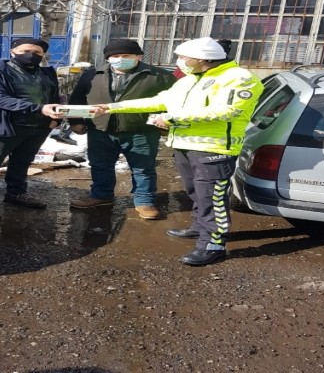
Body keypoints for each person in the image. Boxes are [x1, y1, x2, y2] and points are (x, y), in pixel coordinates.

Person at [93, 37, 263, 266]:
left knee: (212, 198)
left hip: (213, 147)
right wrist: (113, 107)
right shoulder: (190, 79)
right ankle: (198, 227)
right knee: (195, 191)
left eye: (183, 57)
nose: (179, 61)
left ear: (202, 58)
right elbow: (160, 100)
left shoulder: (239, 78)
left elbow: (227, 111)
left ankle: (212, 244)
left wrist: (173, 118)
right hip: (185, 144)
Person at [67, 39, 176, 220]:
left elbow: (175, 102)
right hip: (101, 129)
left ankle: (144, 201)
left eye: (126, 56)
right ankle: (101, 195)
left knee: (143, 168)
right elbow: (78, 97)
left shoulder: (159, 76)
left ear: (138, 56)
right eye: (115, 56)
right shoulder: (93, 74)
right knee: (101, 165)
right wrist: (75, 120)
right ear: (108, 58)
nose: (120, 59)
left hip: (141, 130)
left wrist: (167, 121)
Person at [0, 38, 62, 221]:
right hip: (3, 127)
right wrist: (39, 108)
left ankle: (15, 193)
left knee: (22, 162)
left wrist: (56, 118)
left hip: (37, 127)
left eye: (38, 53)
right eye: (26, 51)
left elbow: (55, 96)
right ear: (13, 52)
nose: (31, 55)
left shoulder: (46, 72)